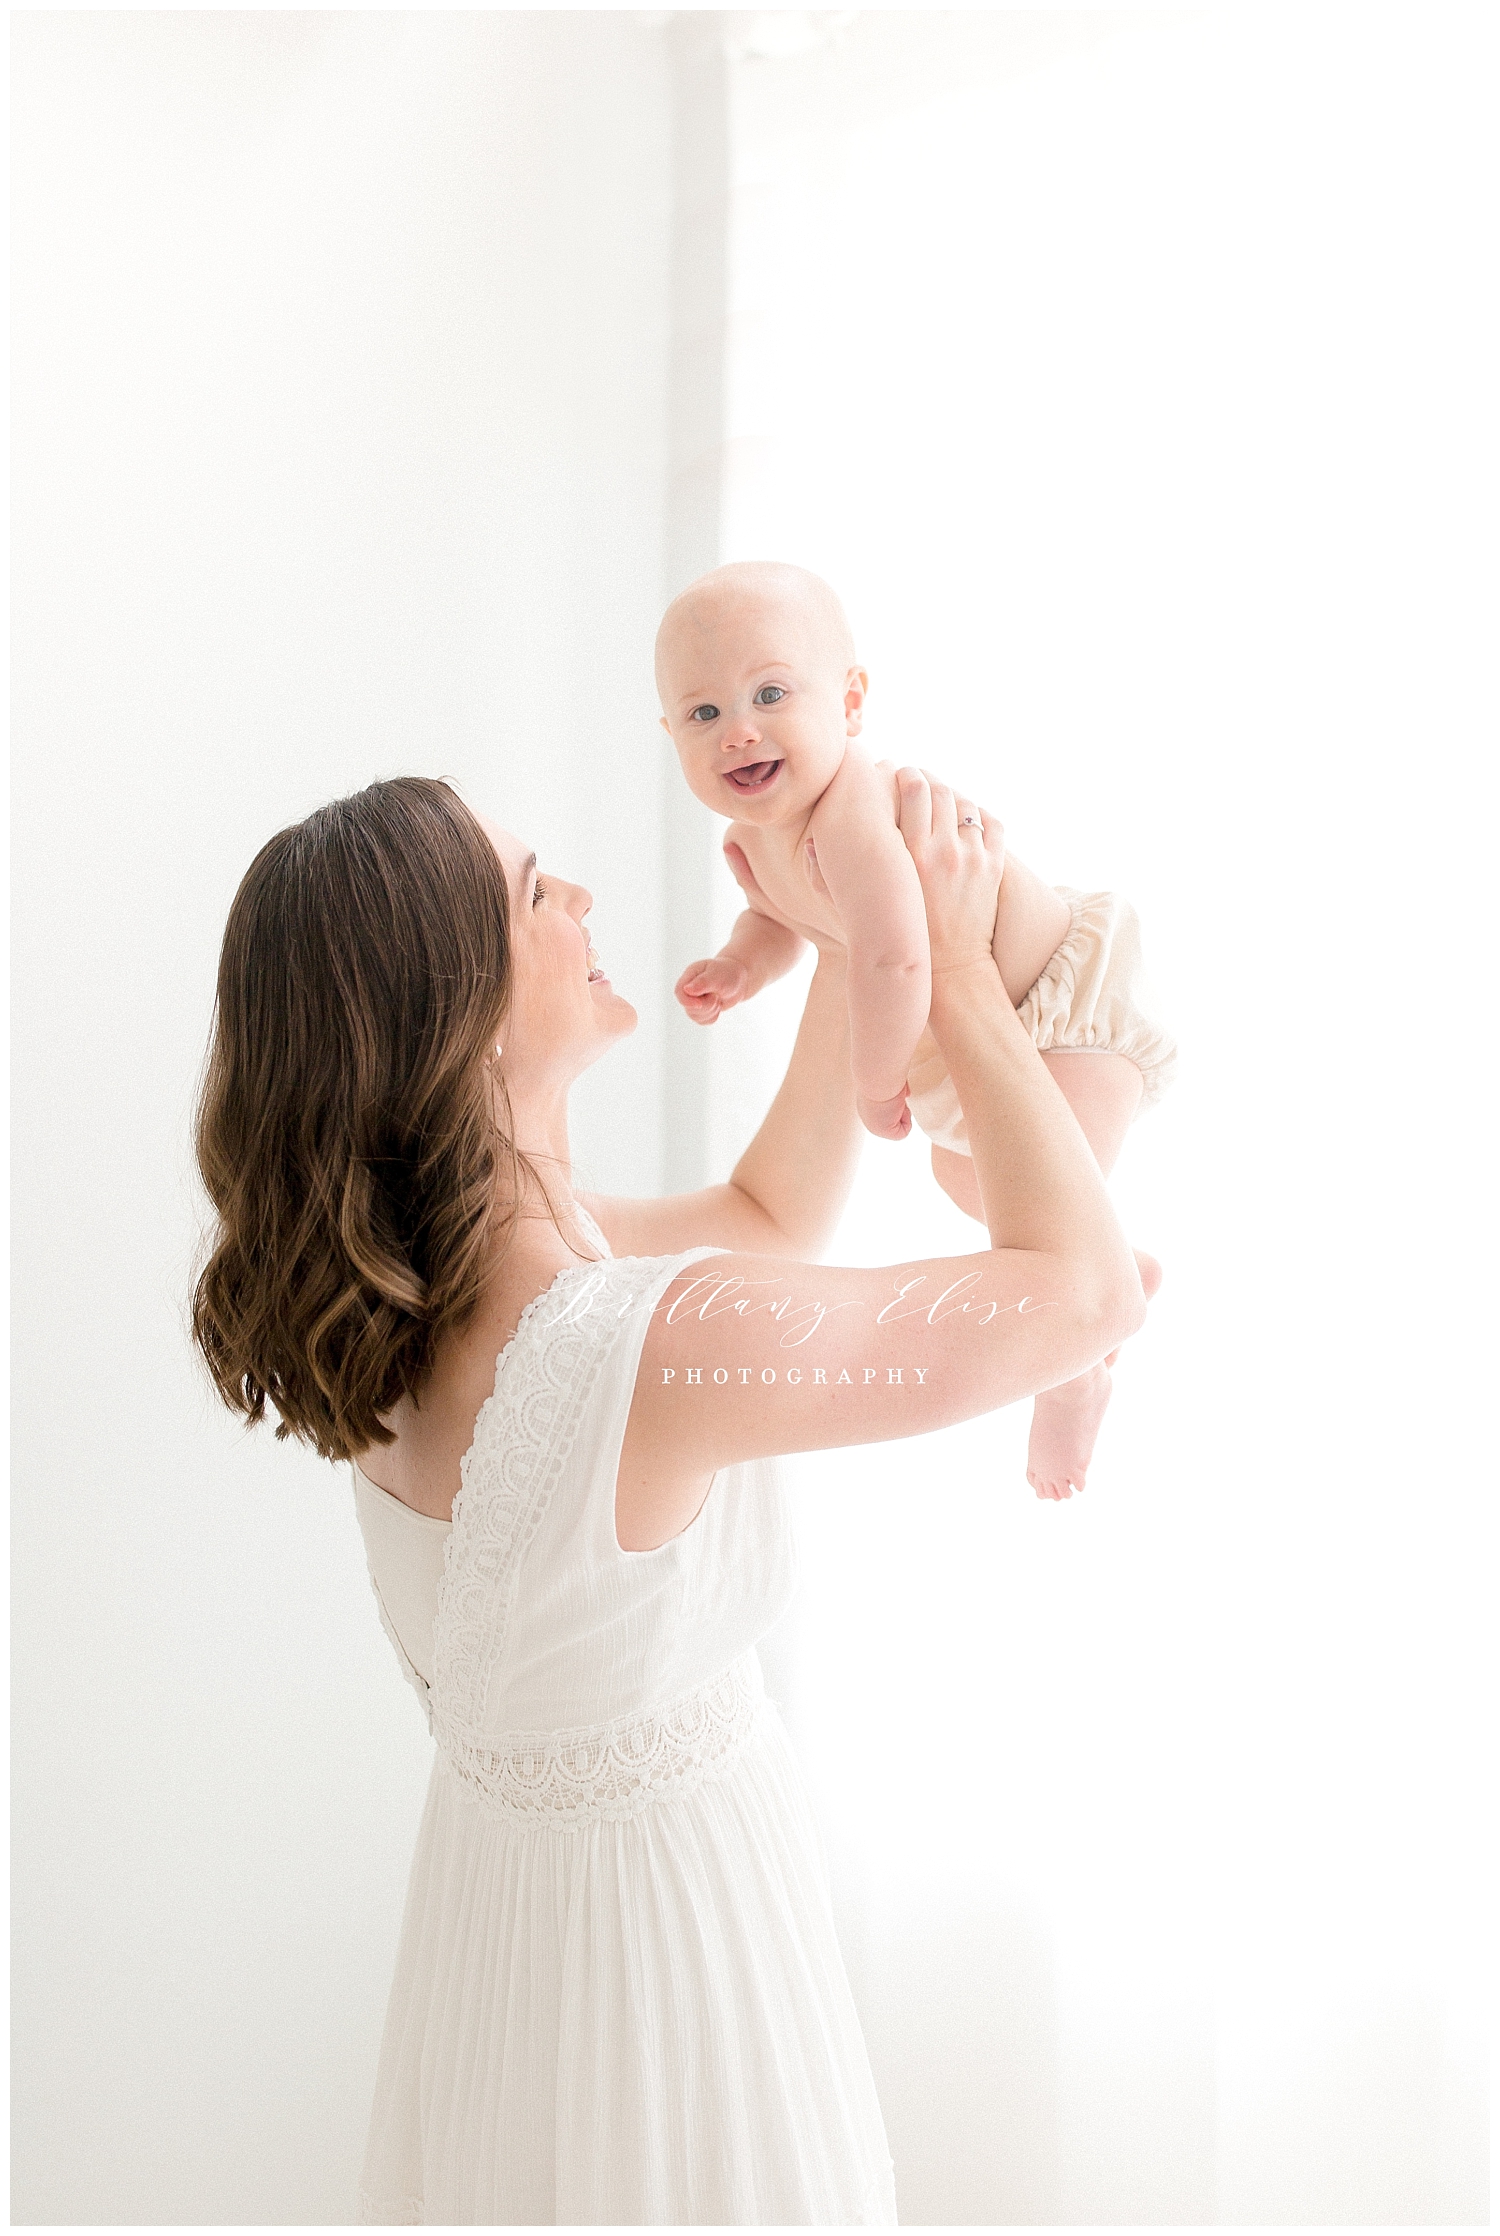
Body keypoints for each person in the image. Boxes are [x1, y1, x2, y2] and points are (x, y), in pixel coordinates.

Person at [191, 771, 1148, 2225]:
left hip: (513, 1950)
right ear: (454, 1013)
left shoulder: (408, 1304)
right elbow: (1077, 1295)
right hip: (666, 1967)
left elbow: (770, 1217)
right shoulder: (638, 1347)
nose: (576, 900)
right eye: (530, 891)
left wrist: (845, 925)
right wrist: (950, 969)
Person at [658, 560, 1173, 1499]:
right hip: (987, 1046)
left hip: (1064, 1017)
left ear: (850, 701)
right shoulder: (750, 838)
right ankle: (1110, 1276)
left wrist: (873, 1082)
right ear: (671, 737)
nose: (738, 730)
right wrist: (740, 965)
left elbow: (896, 957)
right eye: (702, 715)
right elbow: (782, 923)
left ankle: (1076, 1372)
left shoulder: (853, 808)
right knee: (959, 1174)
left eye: (771, 694)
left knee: (1040, 1256)